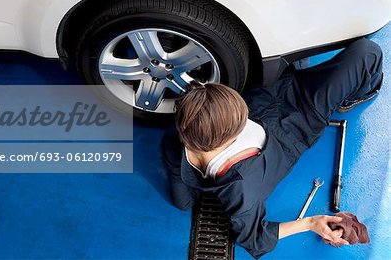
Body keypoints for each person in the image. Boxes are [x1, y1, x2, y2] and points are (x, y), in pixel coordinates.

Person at [161, 38, 383, 258]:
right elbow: (255, 240)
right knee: (368, 53)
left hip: (272, 93)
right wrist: (310, 223)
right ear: (231, 137)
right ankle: (350, 97)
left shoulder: (175, 142)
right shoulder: (241, 190)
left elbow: (183, 198)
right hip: (302, 117)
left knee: (183, 201)